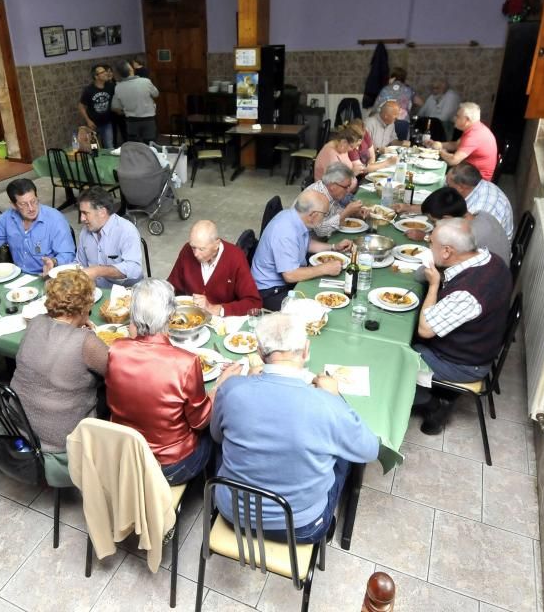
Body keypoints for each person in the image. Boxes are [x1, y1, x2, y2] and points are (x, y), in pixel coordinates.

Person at [210, 313, 380, 543]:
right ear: (306, 350)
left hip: (233, 514)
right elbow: (369, 451)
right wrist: (336, 396)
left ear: (260, 353)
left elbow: (216, 436)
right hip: (301, 527)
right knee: (344, 457)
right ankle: (326, 521)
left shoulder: (231, 389)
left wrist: (244, 384)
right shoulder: (328, 404)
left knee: (230, 440)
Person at [106, 279, 239, 485]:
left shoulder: (116, 349)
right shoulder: (185, 362)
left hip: (128, 456)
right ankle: (212, 495)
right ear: (170, 316)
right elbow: (201, 420)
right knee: (221, 432)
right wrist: (221, 383)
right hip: (170, 465)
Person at [10, 269, 108, 486]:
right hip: (60, 437)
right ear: (84, 307)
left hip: (19, 421)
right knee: (112, 394)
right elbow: (115, 371)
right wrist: (91, 336)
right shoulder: (86, 342)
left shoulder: (35, 323)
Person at [413, 219, 511, 435]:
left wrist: (434, 285)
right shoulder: (490, 259)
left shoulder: (468, 292)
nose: (429, 246)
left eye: (432, 244)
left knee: (395, 352)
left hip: (463, 364)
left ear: (447, 251)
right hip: (478, 344)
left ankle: (431, 405)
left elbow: (425, 329)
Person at [250, 190, 355, 310]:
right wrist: (324, 268)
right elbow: (290, 275)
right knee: (321, 307)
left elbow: (304, 243)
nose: (324, 218)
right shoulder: (286, 232)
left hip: (285, 282)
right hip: (271, 291)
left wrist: (334, 247)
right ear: (313, 215)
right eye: (324, 214)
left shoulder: (292, 216)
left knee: (329, 292)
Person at [167, 220, 261, 317]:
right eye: (193, 247)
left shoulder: (235, 257)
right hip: (191, 318)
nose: (195, 254)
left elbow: (254, 303)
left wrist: (216, 309)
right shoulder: (187, 250)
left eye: (201, 249)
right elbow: (171, 285)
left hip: (223, 323)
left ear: (216, 244)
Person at [405, 187, 510, 265]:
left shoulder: (469, 237)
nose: (434, 226)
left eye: (434, 222)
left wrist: (427, 238)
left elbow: (426, 271)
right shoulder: (482, 215)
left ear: (447, 219)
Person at [75, 186, 143, 288]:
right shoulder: (85, 232)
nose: (82, 218)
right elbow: (80, 263)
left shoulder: (126, 230)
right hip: (95, 292)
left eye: (85, 213)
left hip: (126, 293)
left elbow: (134, 269)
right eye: (81, 213)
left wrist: (98, 271)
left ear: (102, 212)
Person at [430, 102, 498, 181]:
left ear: (467, 120)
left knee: (434, 176)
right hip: (470, 172)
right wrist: (438, 144)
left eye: (458, 116)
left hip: (477, 180)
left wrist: (439, 151)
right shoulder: (476, 128)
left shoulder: (474, 135)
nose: (454, 118)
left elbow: (453, 160)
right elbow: (456, 145)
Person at [445, 162, 514, 238]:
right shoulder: (480, 185)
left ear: (461, 187)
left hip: (488, 245)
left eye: (449, 185)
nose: (447, 188)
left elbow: (470, 238)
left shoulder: (479, 208)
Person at [304, 165, 365, 238]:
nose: (348, 190)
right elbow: (320, 231)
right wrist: (346, 212)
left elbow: (335, 211)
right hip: (306, 239)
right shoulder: (316, 197)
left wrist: (354, 213)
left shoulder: (329, 191)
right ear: (332, 185)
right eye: (346, 187)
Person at [111, 60, 159, 143]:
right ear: (131, 70)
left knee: (135, 146)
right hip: (148, 120)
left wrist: (126, 110)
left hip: (131, 122)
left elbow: (115, 107)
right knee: (151, 145)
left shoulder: (118, 87)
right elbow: (156, 94)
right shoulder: (145, 82)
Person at [78, 64, 115, 149]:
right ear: (96, 76)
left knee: (109, 146)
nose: (106, 73)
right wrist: (88, 120)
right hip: (93, 124)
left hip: (107, 123)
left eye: (105, 71)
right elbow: (81, 106)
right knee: (93, 148)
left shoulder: (110, 86)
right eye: (102, 72)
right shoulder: (89, 90)